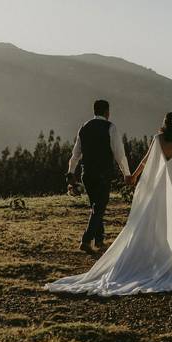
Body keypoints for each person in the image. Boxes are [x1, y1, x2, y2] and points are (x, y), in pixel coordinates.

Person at [47, 112, 172, 296]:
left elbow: (146, 160)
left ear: (163, 124)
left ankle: (153, 248)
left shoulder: (157, 139)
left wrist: (133, 176)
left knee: (151, 218)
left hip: (157, 185)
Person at [66, 99, 131, 250]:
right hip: (103, 174)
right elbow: (119, 154)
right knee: (99, 206)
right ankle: (86, 240)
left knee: (96, 205)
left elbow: (75, 154)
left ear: (95, 111)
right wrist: (126, 173)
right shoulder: (110, 127)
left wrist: (70, 173)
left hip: (86, 174)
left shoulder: (84, 127)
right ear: (107, 112)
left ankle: (99, 240)